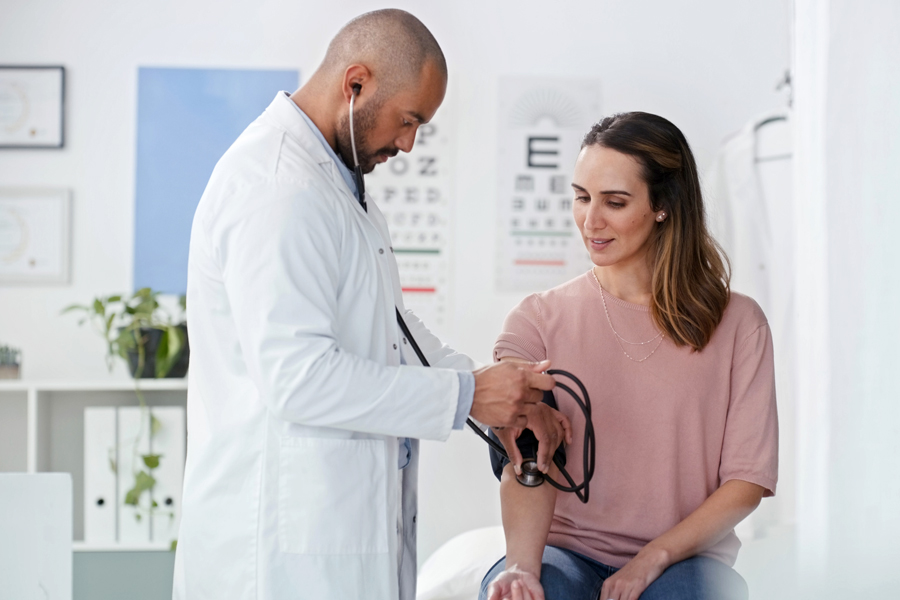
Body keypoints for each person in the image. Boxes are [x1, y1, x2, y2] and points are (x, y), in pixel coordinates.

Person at [173, 9, 569, 600]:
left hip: (329, 535)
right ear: (355, 83)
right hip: (275, 554)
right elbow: (297, 378)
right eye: (408, 121)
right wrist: (466, 395)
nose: (408, 145)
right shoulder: (278, 190)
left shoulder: (337, 188)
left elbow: (389, 328)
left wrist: (486, 395)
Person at [481, 112, 778, 600]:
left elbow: (746, 481)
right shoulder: (537, 321)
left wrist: (652, 558)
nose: (590, 221)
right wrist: (521, 566)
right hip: (565, 552)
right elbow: (525, 461)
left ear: (663, 205)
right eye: (581, 197)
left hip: (686, 559)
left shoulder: (739, 323)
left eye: (614, 202)